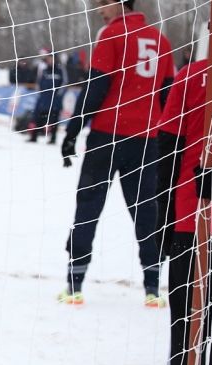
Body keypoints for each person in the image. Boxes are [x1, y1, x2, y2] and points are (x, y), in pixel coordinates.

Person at [58, 0, 174, 306]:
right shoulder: (160, 40)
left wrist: (72, 131)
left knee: (88, 208)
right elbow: (167, 92)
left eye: (103, 4)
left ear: (119, 3)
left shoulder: (113, 34)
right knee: (146, 213)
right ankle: (152, 288)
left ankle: (74, 285)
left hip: (108, 136)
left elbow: (96, 86)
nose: (99, 10)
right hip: (146, 140)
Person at [155, 57, 212, 365]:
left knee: (187, 330)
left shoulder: (195, 73)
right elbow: (168, 146)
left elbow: (166, 152)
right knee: (188, 327)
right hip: (190, 221)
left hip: (190, 224)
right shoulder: (194, 75)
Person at [27, 48, 65, 144]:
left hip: (55, 99)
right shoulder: (44, 70)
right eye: (48, 58)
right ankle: (34, 136)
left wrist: (58, 94)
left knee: (54, 119)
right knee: (37, 117)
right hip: (43, 99)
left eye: (51, 58)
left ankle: (53, 139)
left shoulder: (60, 70)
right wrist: (40, 92)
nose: (49, 60)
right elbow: (39, 82)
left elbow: (64, 83)